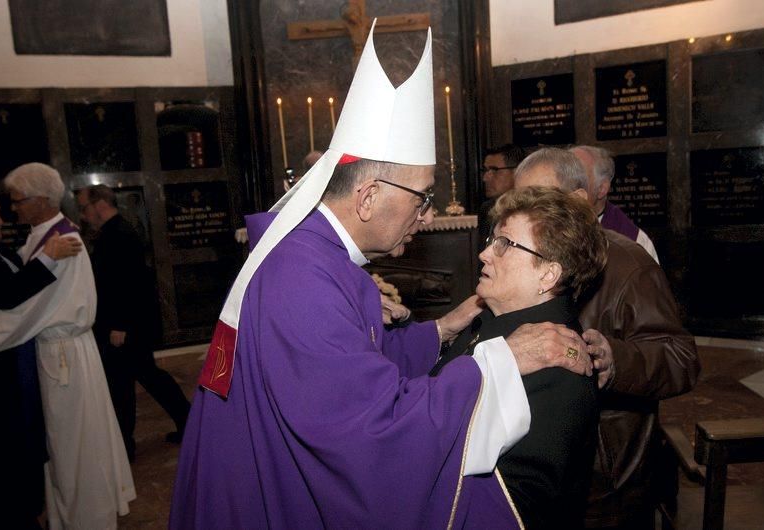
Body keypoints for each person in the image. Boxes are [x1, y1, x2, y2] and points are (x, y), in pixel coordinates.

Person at [171, 23, 592, 529]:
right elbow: (371, 431)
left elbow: (350, 366)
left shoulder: (317, 258)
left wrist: (439, 330)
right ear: (368, 196)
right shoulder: (303, 280)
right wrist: (503, 359)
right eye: (422, 197)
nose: (428, 216)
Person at [514, 148, 700, 529]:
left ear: (579, 202)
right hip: (535, 470)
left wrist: (616, 359)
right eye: (519, 203)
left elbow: (681, 358)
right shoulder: (518, 256)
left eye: (540, 203)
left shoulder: (628, 263)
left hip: (604, 482)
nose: (524, 217)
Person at [0, 163, 136, 530]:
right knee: (61, 449)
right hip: (52, 353)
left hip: (64, 354)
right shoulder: (40, 237)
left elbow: (26, 313)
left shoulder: (64, 242)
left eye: (16, 201)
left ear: (40, 200)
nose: (11, 210)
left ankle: (87, 519)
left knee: (76, 449)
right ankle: (65, 514)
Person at [432, 186, 608, 529]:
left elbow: (512, 507)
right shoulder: (489, 322)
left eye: (505, 245)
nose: (485, 255)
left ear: (548, 275)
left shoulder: (557, 362)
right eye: (491, 241)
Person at [0, 188, 81, 528]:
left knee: (24, 453)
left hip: (15, 377)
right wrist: (48, 257)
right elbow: (7, 298)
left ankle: (27, 513)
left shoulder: (0, 251)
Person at [76, 184, 190, 459]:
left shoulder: (119, 235)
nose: (83, 215)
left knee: (123, 384)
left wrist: (119, 325)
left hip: (126, 327)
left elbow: (128, 285)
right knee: (143, 377)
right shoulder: (113, 232)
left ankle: (125, 446)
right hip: (129, 325)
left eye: (85, 208)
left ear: (100, 204)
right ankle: (185, 424)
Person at [569, 145, 659, 262]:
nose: (564, 187)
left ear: (601, 189)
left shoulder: (635, 242)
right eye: (561, 177)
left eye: (577, 180)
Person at [477, 144, 527, 252]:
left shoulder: (528, 209)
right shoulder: (486, 208)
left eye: (494, 170)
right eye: (485, 170)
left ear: (517, 171)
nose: (485, 178)